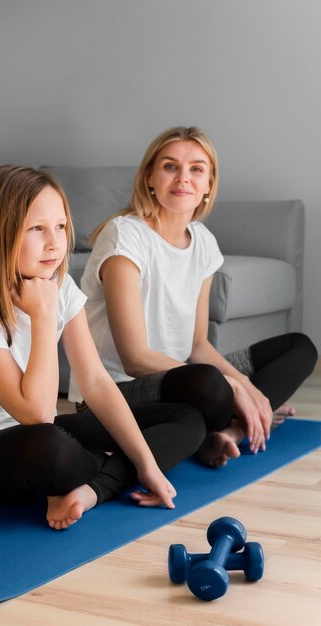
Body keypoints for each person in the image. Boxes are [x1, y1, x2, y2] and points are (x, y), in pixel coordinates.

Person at [0, 164, 234, 531]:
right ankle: (103, 470)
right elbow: (37, 414)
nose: (55, 243)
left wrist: (147, 464)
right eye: (37, 229)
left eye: (60, 227)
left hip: (44, 429)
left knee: (187, 420)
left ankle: (92, 488)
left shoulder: (61, 287)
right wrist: (42, 317)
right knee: (51, 448)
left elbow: (96, 383)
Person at [73, 127, 317, 465]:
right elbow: (135, 358)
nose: (183, 178)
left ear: (208, 185)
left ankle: (230, 432)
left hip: (182, 376)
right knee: (213, 384)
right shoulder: (124, 237)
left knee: (300, 348)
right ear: (150, 178)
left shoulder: (203, 242)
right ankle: (237, 418)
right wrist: (232, 387)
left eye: (196, 169)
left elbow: (198, 345)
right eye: (170, 166)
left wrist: (246, 384)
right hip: (117, 390)